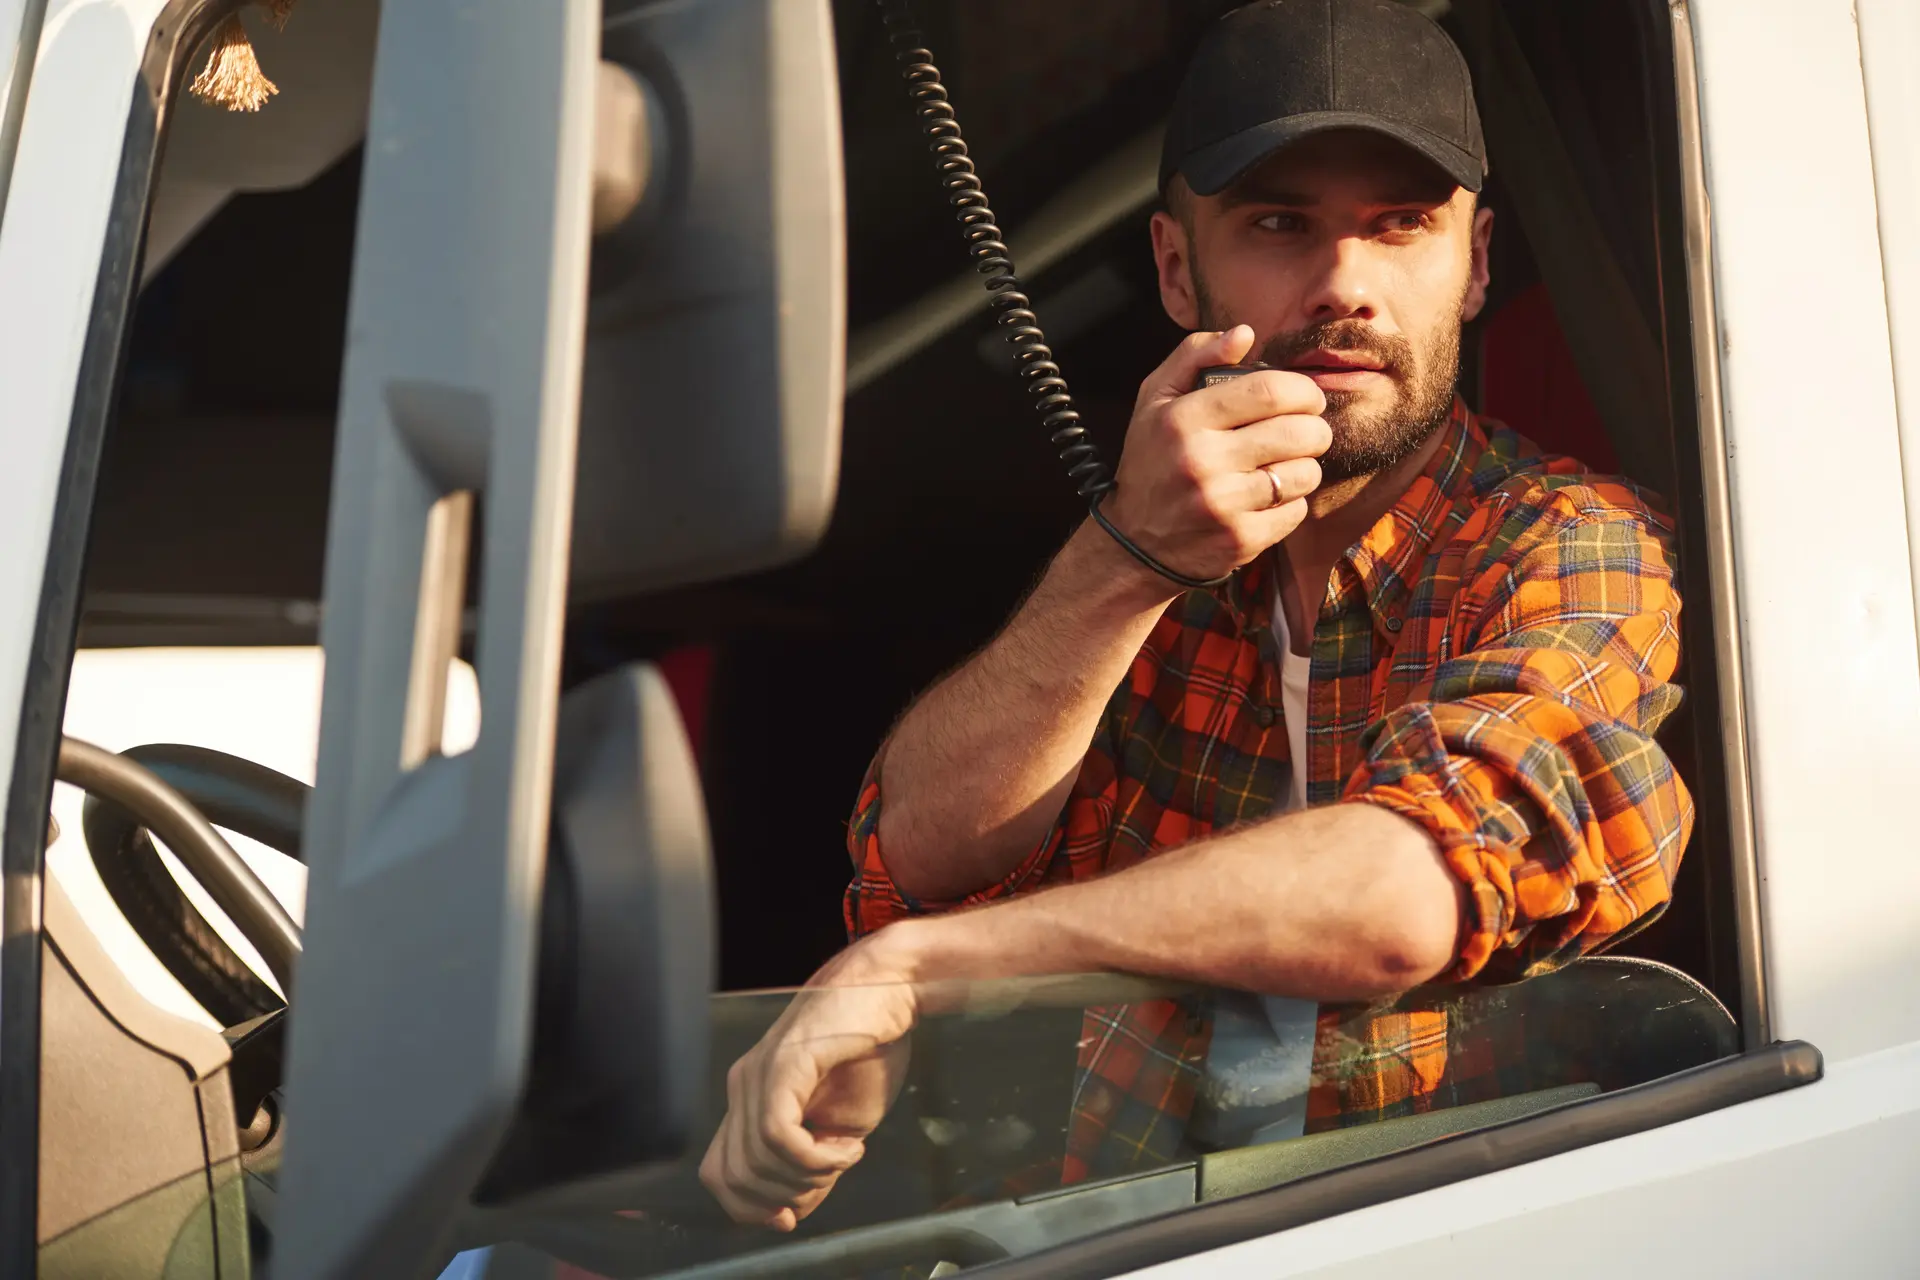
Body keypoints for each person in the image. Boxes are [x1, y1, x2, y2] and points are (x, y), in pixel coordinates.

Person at [701, 0, 1693, 1230]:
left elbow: (1416, 880)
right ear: (1178, 269)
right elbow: (913, 854)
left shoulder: (1571, 539)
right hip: (1125, 1236)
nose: (1346, 286)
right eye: (1282, 225)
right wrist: (1125, 560)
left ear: (1476, 262)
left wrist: (922, 971)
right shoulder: (1148, 560)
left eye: (1402, 227)